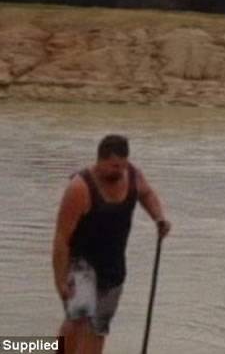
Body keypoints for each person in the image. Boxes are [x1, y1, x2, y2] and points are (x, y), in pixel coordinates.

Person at [52, 135, 171, 354]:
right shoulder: (80, 188)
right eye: (115, 166)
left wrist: (159, 218)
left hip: (113, 268)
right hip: (81, 267)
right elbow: (61, 239)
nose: (120, 171)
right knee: (79, 320)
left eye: (124, 165)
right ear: (101, 161)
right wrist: (60, 280)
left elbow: (146, 194)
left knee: (99, 326)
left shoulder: (132, 175)